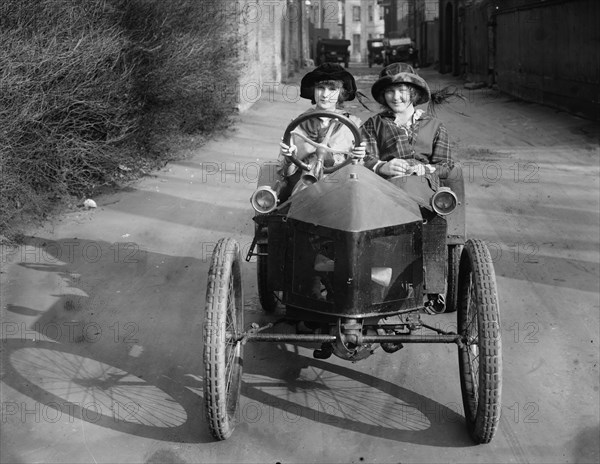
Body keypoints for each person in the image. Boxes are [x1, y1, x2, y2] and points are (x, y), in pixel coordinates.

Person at [360, 63, 454, 207]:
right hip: (385, 191)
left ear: (413, 93)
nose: (396, 97)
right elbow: (362, 157)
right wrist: (382, 166)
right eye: (390, 91)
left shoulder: (435, 126)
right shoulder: (374, 124)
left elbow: (445, 165)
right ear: (384, 95)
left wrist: (425, 169)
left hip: (425, 193)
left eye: (402, 91)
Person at [277, 63, 366, 200]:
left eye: (332, 89)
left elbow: (359, 171)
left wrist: (358, 157)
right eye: (320, 88)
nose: (325, 95)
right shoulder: (297, 126)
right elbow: (285, 173)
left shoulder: (352, 125)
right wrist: (289, 158)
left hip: (341, 188)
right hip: (304, 185)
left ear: (341, 93)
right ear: (313, 90)